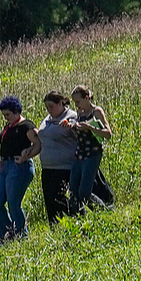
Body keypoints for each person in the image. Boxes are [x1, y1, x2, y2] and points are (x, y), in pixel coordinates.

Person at [0, 95, 38, 242]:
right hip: (3, 166)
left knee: (13, 202)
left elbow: (38, 144)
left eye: (8, 115)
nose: (5, 118)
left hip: (19, 166)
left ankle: (20, 233)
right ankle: (6, 233)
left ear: (16, 112)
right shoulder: (9, 126)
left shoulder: (26, 126)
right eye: (4, 115)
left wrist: (26, 156)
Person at [35, 91, 83, 224]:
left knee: (59, 198)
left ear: (61, 103)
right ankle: (54, 227)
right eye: (46, 107)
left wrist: (72, 128)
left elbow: (81, 137)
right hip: (47, 167)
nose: (49, 110)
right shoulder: (47, 120)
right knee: (49, 200)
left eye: (51, 106)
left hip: (64, 167)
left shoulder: (71, 117)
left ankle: (70, 222)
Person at [67, 86, 113, 214]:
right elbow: (79, 134)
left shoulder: (96, 111)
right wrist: (72, 127)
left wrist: (90, 127)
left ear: (87, 98)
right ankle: (80, 217)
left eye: (78, 102)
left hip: (92, 154)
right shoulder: (80, 113)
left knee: (84, 192)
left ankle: (105, 210)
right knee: (73, 190)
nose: (76, 105)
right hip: (79, 154)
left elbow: (108, 133)